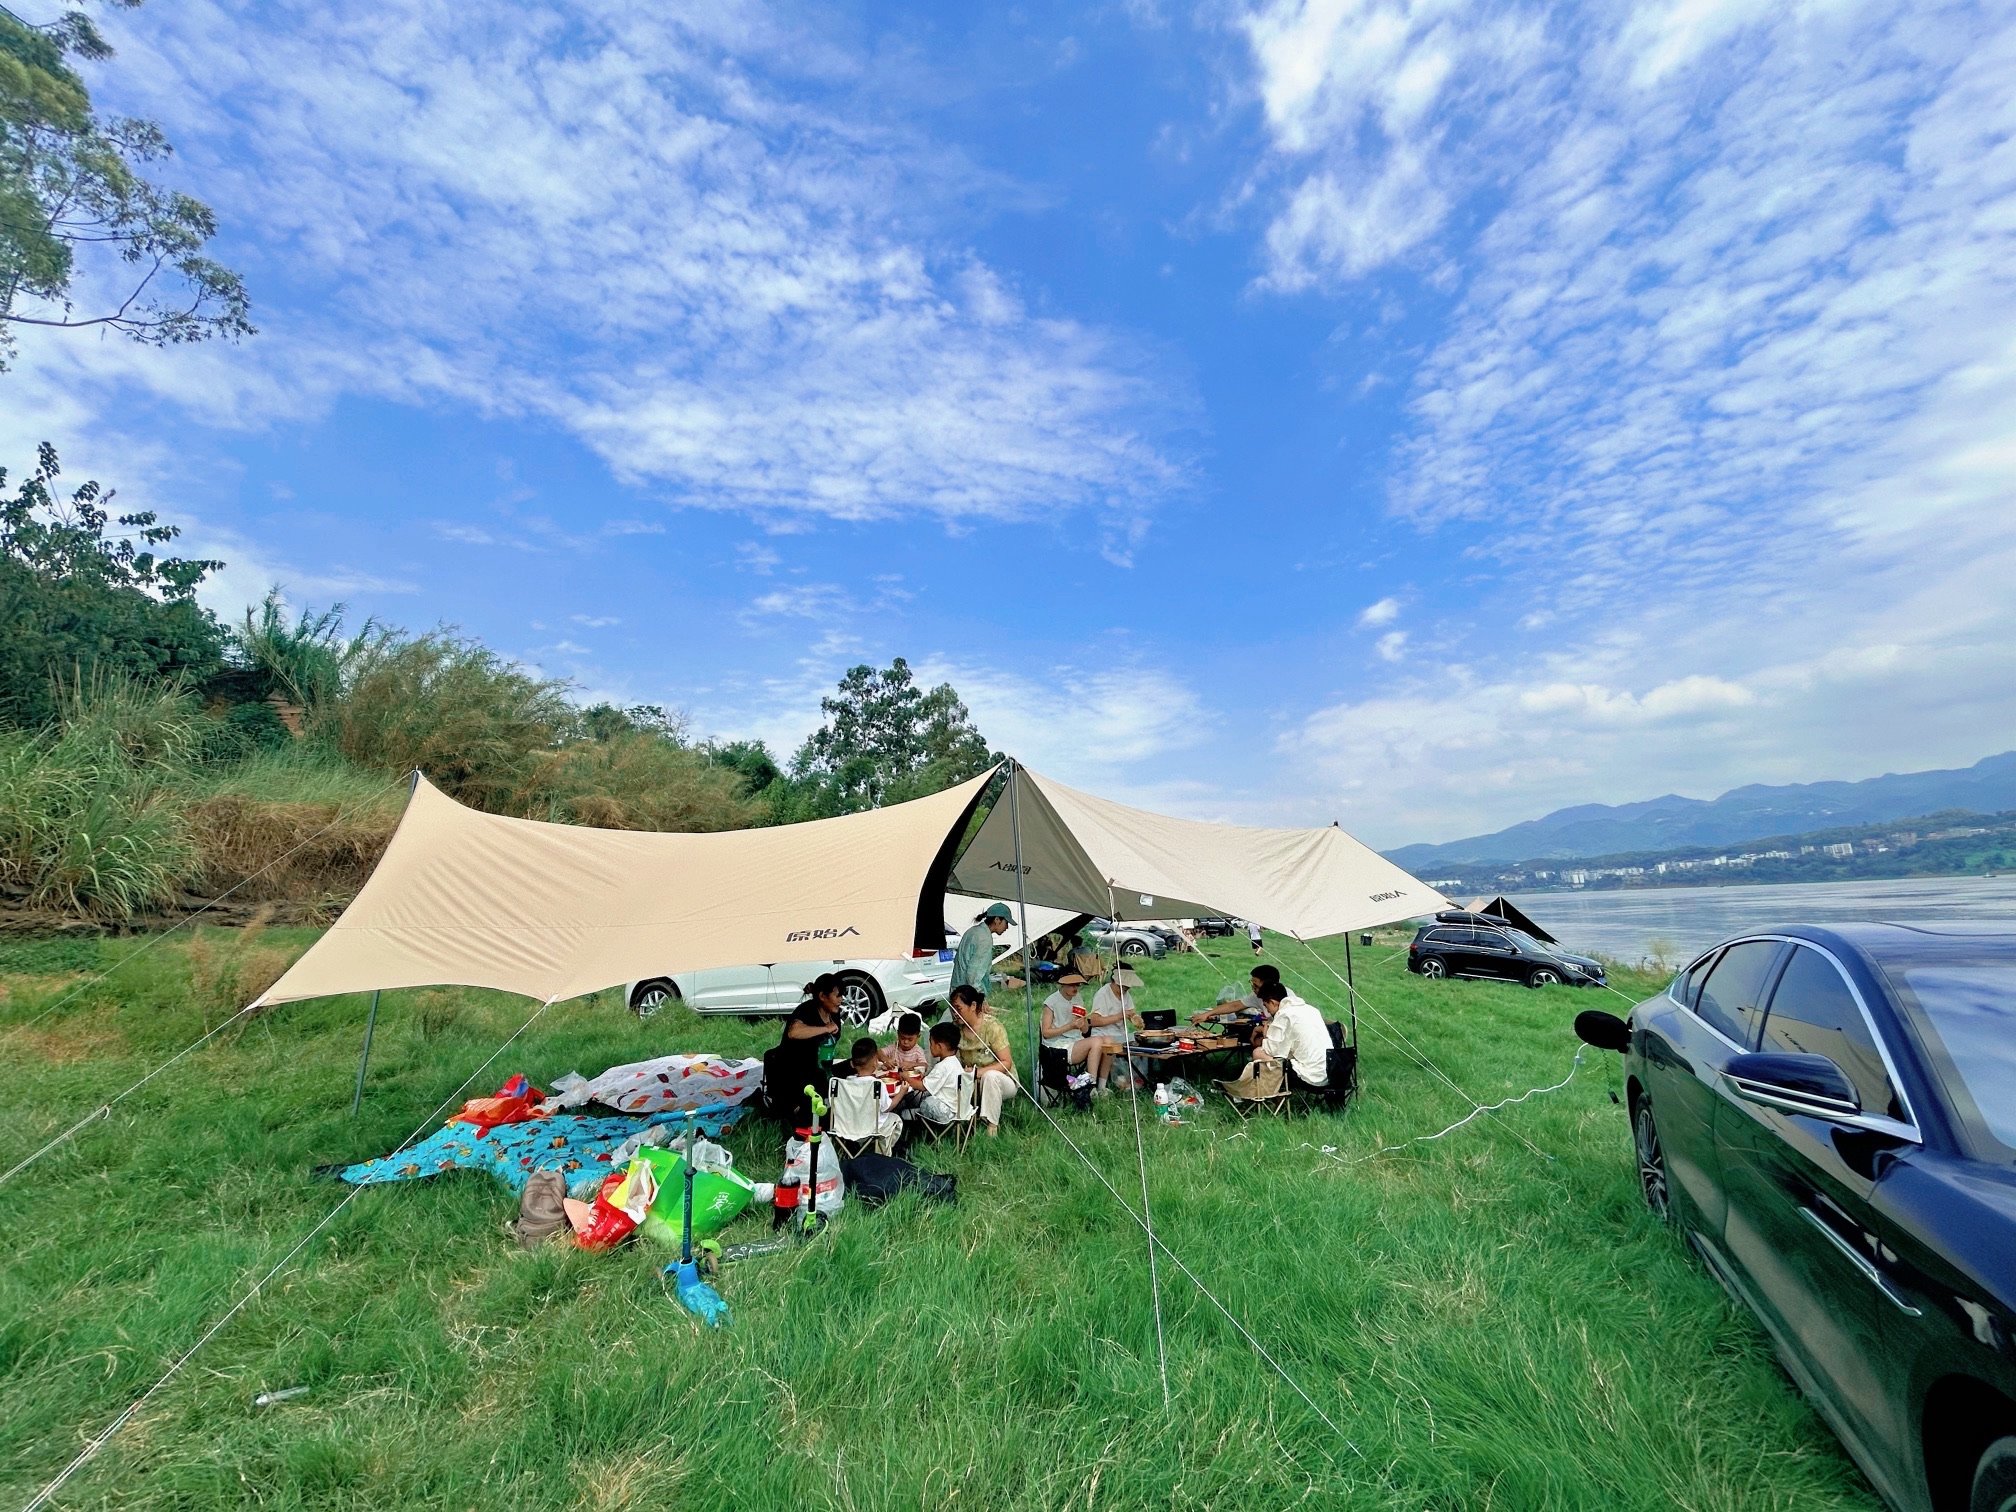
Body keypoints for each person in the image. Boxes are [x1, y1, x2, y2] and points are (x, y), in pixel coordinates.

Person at [770, 972, 843, 1126]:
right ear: (822, 996)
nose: (840, 1000)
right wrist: (824, 1029)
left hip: (820, 1066)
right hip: (794, 1070)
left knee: (852, 1066)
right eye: (837, 996)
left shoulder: (835, 1015)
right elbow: (794, 1032)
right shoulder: (806, 1010)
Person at [949, 983, 1018, 1135]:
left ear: (973, 1006)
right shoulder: (956, 1029)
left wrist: (978, 1072)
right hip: (970, 1081)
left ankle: (991, 1128)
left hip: (1002, 1080)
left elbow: (1006, 1062)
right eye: (953, 1009)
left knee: (990, 1076)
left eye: (958, 1009)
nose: (955, 1013)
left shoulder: (992, 1027)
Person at [1251, 979, 1330, 1090]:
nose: (1268, 1012)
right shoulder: (1312, 1010)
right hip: (1331, 1073)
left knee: (1258, 1053)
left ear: (1273, 1002)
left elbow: (1273, 1051)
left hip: (1311, 1077)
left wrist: (1265, 1033)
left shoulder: (1284, 1015)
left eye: (1266, 1006)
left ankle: (1270, 1094)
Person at [1039, 972, 1113, 1089]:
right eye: (1072, 985)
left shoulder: (1078, 999)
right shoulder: (1051, 1003)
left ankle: (1101, 1085)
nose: (1076, 988)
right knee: (1096, 1041)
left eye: (1078, 985)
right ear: (1063, 985)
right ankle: (1090, 1086)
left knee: (1108, 1040)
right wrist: (1070, 1026)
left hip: (1075, 1040)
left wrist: (1082, 1022)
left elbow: (1084, 1030)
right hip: (1056, 1048)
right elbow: (1046, 1033)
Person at [1087, 966, 1145, 1090]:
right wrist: (1119, 1016)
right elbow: (1094, 1021)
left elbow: (1131, 1011)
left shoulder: (1126, 994)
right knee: (1111, 1043)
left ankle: (1138, 1078)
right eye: (1124, 986)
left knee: (1143, 1039)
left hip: (1120, 1034)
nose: (1127, 988)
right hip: (1103, 1034)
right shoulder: (1103, 994)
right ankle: (1102, 1085)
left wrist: (1135, 1018)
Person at [911, 1021, 968, 1133]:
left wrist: (904, 1076)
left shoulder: (943, 1066)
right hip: (961, 1109)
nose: (930, 1047)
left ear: (940, 1046)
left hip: (947, 1112)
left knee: (925, 1102)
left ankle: (913, 1118)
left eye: (931, 1044)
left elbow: (922, 1087)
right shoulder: (954, 1062)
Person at [952, 902, 1013, 1000]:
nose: (1007, 927)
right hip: (967, 997)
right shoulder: (984, 938)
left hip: (957, 991)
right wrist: (980, 997)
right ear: (997, 919)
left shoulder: (973, 931)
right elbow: (973, 974)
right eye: (1006, 923)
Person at [875, 1013, 929, 1082]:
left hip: (910, 1083)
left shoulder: (917, 1051)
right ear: (898, 1034)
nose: (905, 1042)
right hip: (893, 1080)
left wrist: (913, 1064)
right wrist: (886, 1059)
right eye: (902, 1038)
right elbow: (878, 1052)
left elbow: (925, 1066)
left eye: (910, 1039)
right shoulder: (894, 1048)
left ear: (918, 1036)